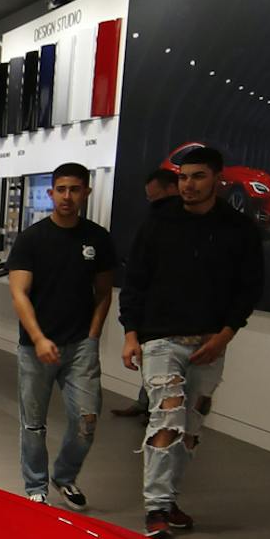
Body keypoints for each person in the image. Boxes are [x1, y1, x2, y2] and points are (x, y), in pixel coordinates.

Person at [119, 144, 263, 539]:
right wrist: (131, 334)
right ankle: (156, 509)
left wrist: (226, 334)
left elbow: (248, 288)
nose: (188, 185)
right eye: (183, 177)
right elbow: (135, 282)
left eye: (198, 177)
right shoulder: (157, 223)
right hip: (160, 339)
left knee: (191, 426)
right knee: (166, 418)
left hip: (209, 343)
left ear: (217, 180)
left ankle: (168, 498)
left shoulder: (238, 229)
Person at [8, 163, 116, 508]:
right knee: (34, 424)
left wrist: (94, 334)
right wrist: (38, 337)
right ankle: (35, 486)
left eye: (75, 189)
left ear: (86, 192)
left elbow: (103, 293)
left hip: (80, 346)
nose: (67, 196)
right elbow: (19, 294)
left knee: (86, 420)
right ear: (51, 193)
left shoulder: (97, 239)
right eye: (61, 189)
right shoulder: (31, 240)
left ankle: (65, 476)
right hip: (36, 347)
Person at [113, 167, 183, 418]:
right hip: (153, 317)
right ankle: (149, 404)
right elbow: (136, 278)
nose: (154, 204)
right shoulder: (152, 227)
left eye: (156, 198)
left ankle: (154, 408)